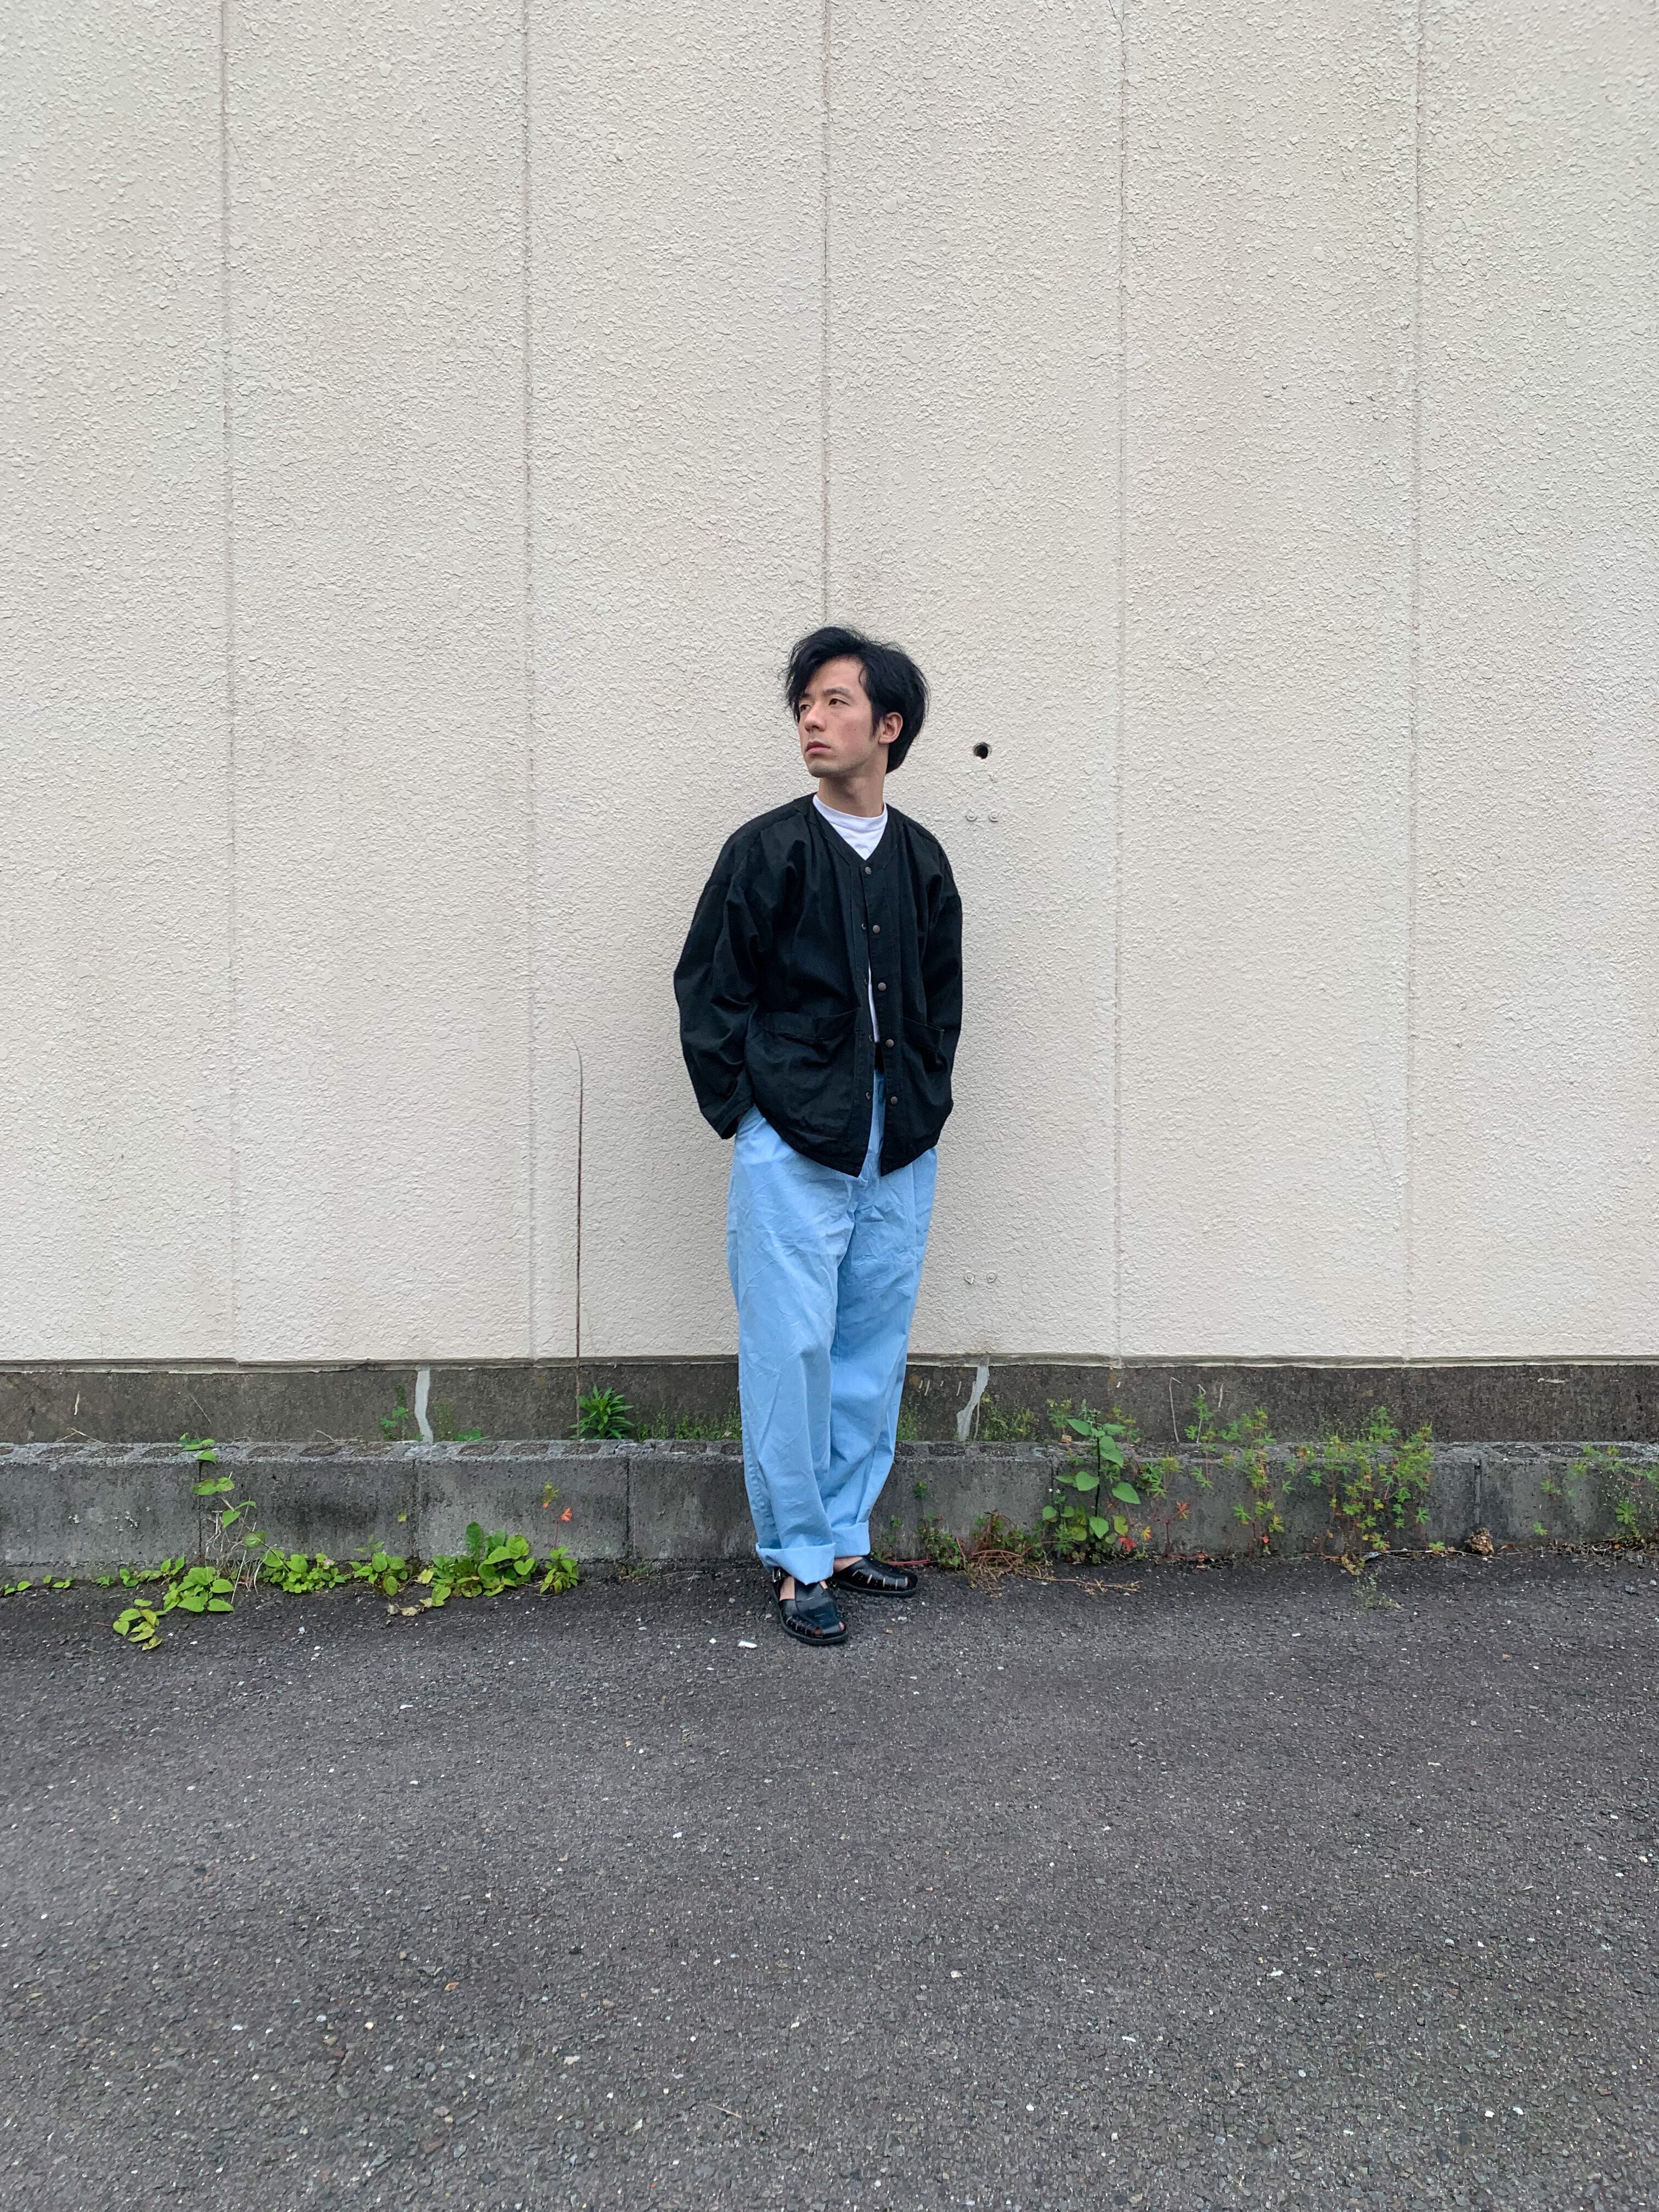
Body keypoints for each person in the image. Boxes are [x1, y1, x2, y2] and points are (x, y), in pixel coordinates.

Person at [673, 625, 963, 1647]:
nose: (812, 719)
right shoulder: (765, 851)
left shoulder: (922, 860)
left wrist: (923, 1100)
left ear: (888, 726)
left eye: (836, 701)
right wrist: (747, 1111)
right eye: (805, 703)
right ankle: (798, 1558)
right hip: (793, 1137)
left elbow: (942, 1001)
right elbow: (709, 990)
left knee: (870, 1350)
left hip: (898, 1139)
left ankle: (844, 1538)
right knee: (791, 1348)